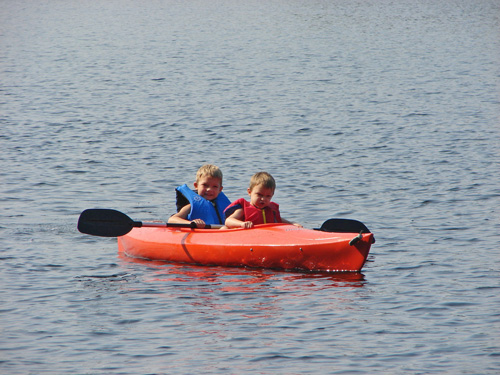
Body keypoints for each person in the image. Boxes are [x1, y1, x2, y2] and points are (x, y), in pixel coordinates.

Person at [224, 171, 302, 229]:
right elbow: (228, 221)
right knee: (224, 229)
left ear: (272, 195)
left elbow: (279, 220)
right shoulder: (243, 210)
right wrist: (241, 224)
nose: (263, 199)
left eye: (268, 196)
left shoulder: (272, 210)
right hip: (248, 238)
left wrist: (292, 224)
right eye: (259, 195)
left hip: (267, 237)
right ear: (249, 192)